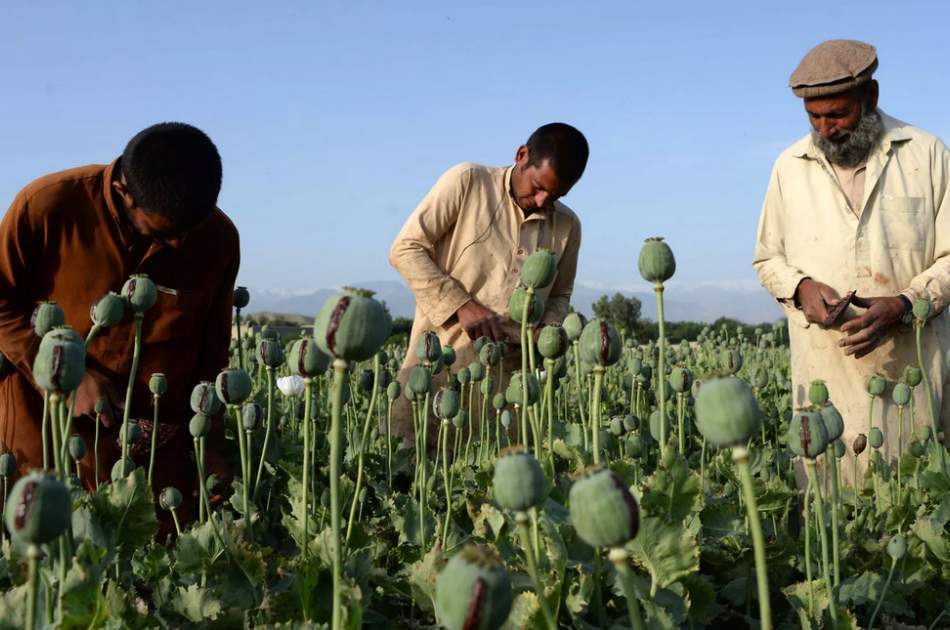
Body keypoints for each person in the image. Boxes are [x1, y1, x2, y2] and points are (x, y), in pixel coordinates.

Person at [0, 122, 240, 520]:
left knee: (144, 560)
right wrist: (64, 378)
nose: (178, 245)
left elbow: (212, 352)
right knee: (46, 556)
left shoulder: (217, 237)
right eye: (163, 234)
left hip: (154, 441)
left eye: (187, 232)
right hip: (42, 425)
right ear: (123, 193)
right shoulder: (46, 206)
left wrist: (210, 445)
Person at [753, 40, 950, 476]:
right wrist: (800, 289)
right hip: (825, 378)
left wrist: (904, 304)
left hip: (910, 371)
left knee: (910, 501)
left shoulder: (925, 153)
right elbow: (768, 259)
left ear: (871, 97)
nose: (826, 130)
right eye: (814, 117)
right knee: (830, 516)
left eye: (838, 114)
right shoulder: (790, 165)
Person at [389, 122, 588, 441]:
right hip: (437, 364)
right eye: (537, 187)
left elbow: (560, 295)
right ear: (522, 155)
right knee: (414, 467)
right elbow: (406, 249)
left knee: (487, 478)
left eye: (555, 195)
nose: (541, 201)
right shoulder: (468, 182)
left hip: (508, 386)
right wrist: (463, 306)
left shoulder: (568, 225)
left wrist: (544, 331)